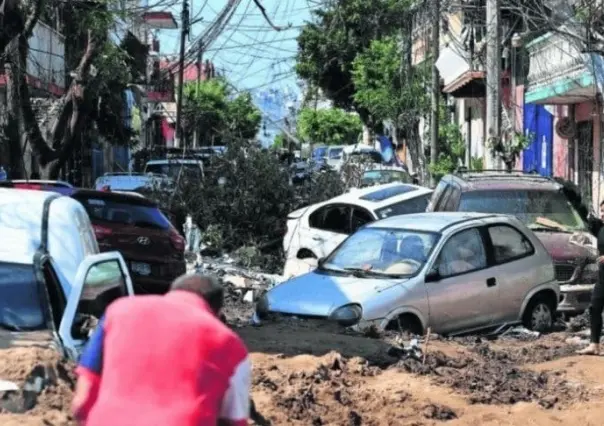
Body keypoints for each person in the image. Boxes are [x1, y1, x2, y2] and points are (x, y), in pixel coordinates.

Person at [71, 274, 251, 425]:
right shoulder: (231, 345)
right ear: (217, 312)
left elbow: (82, 401)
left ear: (171, 293)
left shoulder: (117, 311)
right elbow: (234, 421)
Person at [577, 207, 604, 356]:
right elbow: (585, 215)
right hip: (602, 279)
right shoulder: (600, 228)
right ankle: (594, 345)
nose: (602, 214)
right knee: (594, 308)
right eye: (602, 211)